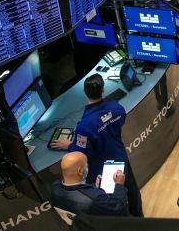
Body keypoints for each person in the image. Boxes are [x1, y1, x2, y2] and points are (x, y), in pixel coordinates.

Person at [50, 74, 143, 216]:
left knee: (113, 204)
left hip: (101, 168)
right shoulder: (116, 107)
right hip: (120, 158)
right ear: (102, 89)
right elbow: (120, 120)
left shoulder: (84, 126)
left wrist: (69, 145)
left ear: (85, 92)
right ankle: (139, 217)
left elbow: (80, 153)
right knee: (131, 191)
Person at [50, 151, 129, 224]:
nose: (87, 167)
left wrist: (94, 188)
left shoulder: (55, 187)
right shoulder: (94, 199)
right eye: (86, 165)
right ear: (80, 171)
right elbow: (119, 208)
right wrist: (119, 184)